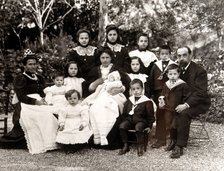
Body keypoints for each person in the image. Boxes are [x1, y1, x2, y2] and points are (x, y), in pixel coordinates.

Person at [167, 46, 211, 159]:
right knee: (170, 108)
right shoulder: (177, 70)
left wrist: (186, 105)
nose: (181, 58)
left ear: (190, 55)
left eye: (184, 55)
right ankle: (173, 139)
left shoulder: (199, 71)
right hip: (182, 101)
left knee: (184, 112)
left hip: (198, 103)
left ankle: (179, 145)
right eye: (179, 56)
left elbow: (200, 93)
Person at [86, 47, 131, 149]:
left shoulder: (117, 69)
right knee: (95, 108)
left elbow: (127, 83)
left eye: (107, 57)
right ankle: (98, 139)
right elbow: (90, 88)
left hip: (115, 94)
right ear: (99, 59)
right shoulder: (95, 70)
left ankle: (111, 140)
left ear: (111, 58)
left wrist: (120, 89)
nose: (105, 60)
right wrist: (99, 81)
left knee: (112, 107)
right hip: (99, 95)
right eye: (103, 58)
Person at [0, 54, 46, 149]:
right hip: (26, 104)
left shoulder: (39, 77)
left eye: (34, 64)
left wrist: (44, 99)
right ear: (24, 66)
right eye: (30, 64)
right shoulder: (21, 78)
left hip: (39, 103)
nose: (33, 66)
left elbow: (43, 92)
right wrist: (35, 102)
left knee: (49, 115)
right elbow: (21, 96)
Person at [156, 64, 191, 151]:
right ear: (167, 75)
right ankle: (172, 141)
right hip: (168, 109)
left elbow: (187, 97)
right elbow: (162, 94)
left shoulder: (183, 85)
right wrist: (161, 100)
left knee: (175, 125)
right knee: (169, 125)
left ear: (178, 74)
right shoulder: (166, 84)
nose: (172, 76)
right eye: (170, 74)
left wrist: (184, 105)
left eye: (175, 74)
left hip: (177, 109)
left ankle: (177, 143)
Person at [118, 79, 155, 156]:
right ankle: (125, 145)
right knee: (122, 126)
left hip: (141, 121)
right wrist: (126, 119)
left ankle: (140, 146)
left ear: (142, 89)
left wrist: (149, 126)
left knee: (138, 127)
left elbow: (150, 115)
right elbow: (125, 112)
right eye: (133, 89)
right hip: (130, 120)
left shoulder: (147, 101)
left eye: (138, 88)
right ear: (131, 90)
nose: (136, 91)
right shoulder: (130, 100)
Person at [150, 45, 176, 148]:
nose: (164, 56)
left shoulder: (173, 65)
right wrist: (151, 93)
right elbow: (152, 80)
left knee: (170, 114)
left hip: (171, 93)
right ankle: (161, 139)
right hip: (159, 93)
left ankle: (172, 139)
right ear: (159, 54)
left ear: (170, 54)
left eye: (166, 54)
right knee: (160, 115)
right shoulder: (156, 66)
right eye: (162, 54)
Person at [56, 89, 92, 154]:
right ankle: (67, 147)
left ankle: (76, 146)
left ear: (78, 98)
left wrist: (83, 124)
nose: (72, 100)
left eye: (75, 98)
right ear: (67, 99)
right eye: (70, 99)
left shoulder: (81, 108)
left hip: (78, 122)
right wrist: (61, 124)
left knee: (78, 133)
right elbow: (62, 117)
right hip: (68, 122)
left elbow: (85, 117)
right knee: (67, 132)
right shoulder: (65, 108)